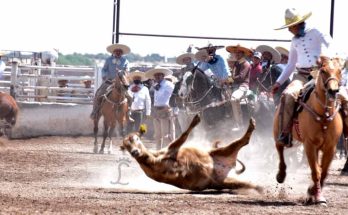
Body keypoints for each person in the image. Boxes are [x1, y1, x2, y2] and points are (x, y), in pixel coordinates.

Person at [271, 8, 348, 146]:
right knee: (288, 94)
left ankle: (346, 133)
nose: (289, 30)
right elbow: (290, 64)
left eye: (290, 27)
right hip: (301, 75)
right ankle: (286, 133)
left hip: (322, 74)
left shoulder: (317, 31)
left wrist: (324, 58)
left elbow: (331, 45)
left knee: (344, 98)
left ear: (297, 24)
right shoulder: (294, 41)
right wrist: (278, 82)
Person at [90, 43, 131, 120]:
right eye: (116, 51)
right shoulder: (108, 60)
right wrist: (104, 75)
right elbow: (104, 69)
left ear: (121, 53)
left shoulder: (125, 61)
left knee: (130, 96)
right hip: (109, 82)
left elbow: (127, 70)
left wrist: (123, 72)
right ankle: (95, 111)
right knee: (99, 94)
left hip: (121, 83)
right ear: (114, 52)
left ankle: (128, 113)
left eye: (119, 51)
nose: (118, 52)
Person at [145, 67, 175, 150]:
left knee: (166, 135)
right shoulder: (155, 85)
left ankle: (168, 152)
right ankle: (158, 151)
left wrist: (171, 107)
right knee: (158, 135)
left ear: (163, 76)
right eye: (156, 75)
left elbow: (174, 95)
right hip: (156, 110)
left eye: (159, 75)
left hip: (165, 110)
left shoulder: (169, 85)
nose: (157, 77)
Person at [226, 44, 253, 130]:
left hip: (243, 86)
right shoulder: (236, 64)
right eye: (235, 53)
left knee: (234, 98)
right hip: (234, 86)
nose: (237, 54)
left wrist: (230, 79)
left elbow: (241, 77)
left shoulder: (246, 64)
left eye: (239, 53)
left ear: (243, 54)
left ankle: (239, 124)